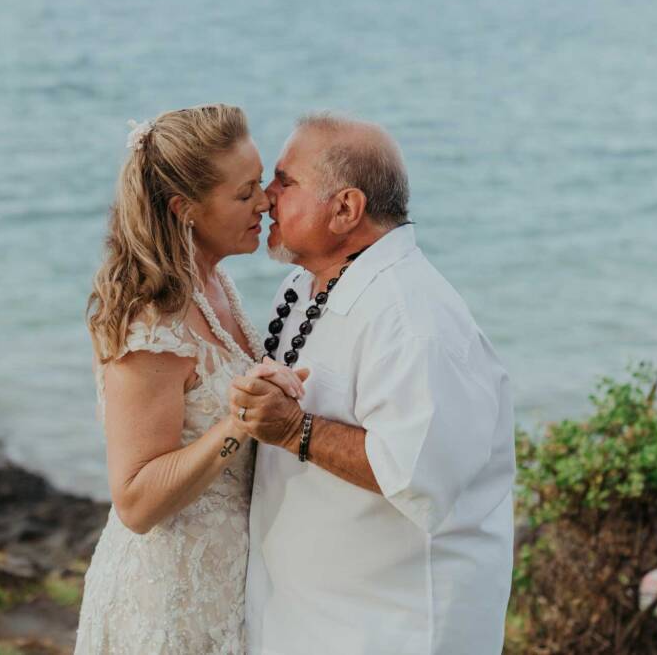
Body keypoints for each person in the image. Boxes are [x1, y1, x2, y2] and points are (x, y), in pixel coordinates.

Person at [231, 113, 516, 654]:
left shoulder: (413, 320)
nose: (266, 198)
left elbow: (417, 473)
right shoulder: (303, 285)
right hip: (309, 617)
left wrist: (294, 428)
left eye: (285, 182)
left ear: (345, 208)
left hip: (391, 626)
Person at [75, 104, 305, 654]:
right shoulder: (151, 323)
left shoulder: (215, 283)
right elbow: (136, 502)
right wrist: (241, 422)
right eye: (245, 192)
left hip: (226, 590)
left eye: (261, 184)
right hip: (167, 603)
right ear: (186, 210)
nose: (266, 201)